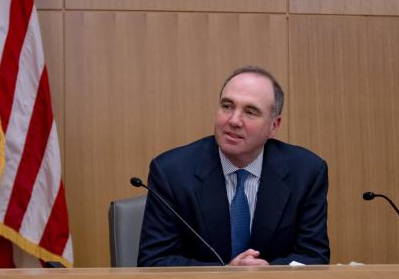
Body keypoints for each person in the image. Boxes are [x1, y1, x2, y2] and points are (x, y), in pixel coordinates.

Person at [138, 66, 330, 266]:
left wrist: (271, 273)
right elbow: (154, 261)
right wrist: (226, 275)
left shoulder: (307, 172)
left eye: (250, 111)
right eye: (227, 106)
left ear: (274, 126)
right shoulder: (171, 172)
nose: (234, 120)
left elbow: (314, 256)